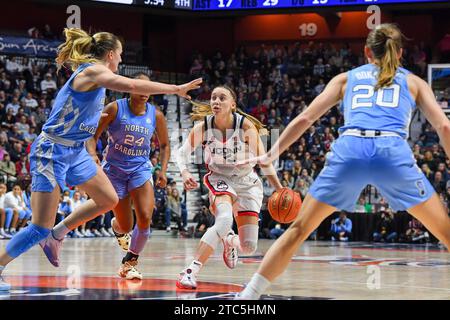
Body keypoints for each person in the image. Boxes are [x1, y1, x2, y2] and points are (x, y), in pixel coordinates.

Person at [238, 24, 450, 299]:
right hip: (391, 150)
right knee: (445, 231)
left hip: (350, 149)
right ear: (399, 53)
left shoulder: (345, 79)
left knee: (299, 229)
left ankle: (249, 296)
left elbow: (305, 118)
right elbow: (444, 127)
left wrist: (271, 153)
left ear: (365, 52)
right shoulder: (414, 82)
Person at [0, 27, 201, 291]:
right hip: (53, 151)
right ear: (110, 54)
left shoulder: (98, 75)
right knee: (38, 226)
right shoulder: (92, 71)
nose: (120, 61)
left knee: (108, 199)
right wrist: (175, 88)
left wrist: (91, 152)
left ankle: (57, 234)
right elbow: (131, 85)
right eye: (119, 55)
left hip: (76, 151)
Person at [174, 85, 282, 289]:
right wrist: (185, 172)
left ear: (232, 104)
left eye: (222, 98)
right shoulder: (204, 127)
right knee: (224, 219)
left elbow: (265, 160)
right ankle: (189, 271)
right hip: (219, 177)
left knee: (248, 247)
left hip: (247, 181)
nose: (216, 101)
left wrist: (279, 189)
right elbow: (181, 153)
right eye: (213, 97)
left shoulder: (245, 126)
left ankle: (229, 240)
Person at [86, 72, 169, 280]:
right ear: (130, 87)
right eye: (140, 87)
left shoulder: (156, 115)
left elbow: (165, 145)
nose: (145, 92)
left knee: (145, 217)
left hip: (140, 168)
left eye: (148, 88)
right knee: (125, 225)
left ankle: (129, 262)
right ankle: (117, 227)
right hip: (114, 170)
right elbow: (92, 136)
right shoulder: (115, 108)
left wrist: (163, 170)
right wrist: (93, 155)